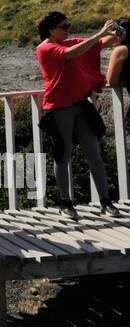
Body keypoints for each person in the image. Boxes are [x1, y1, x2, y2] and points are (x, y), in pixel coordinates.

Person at [36, 11, 119, 219]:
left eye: (69, 26)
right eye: (64, 27)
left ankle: (105, 201)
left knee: (94, 153)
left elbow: (104, 43)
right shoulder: (45, 48)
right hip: (58, 107)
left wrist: (117, 32)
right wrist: (98, 33)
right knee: (62, 156)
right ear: (50, 30)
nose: (68, 30)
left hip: (80, 104)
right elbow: (72, 53)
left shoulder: (69, 41)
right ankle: (65, 202)